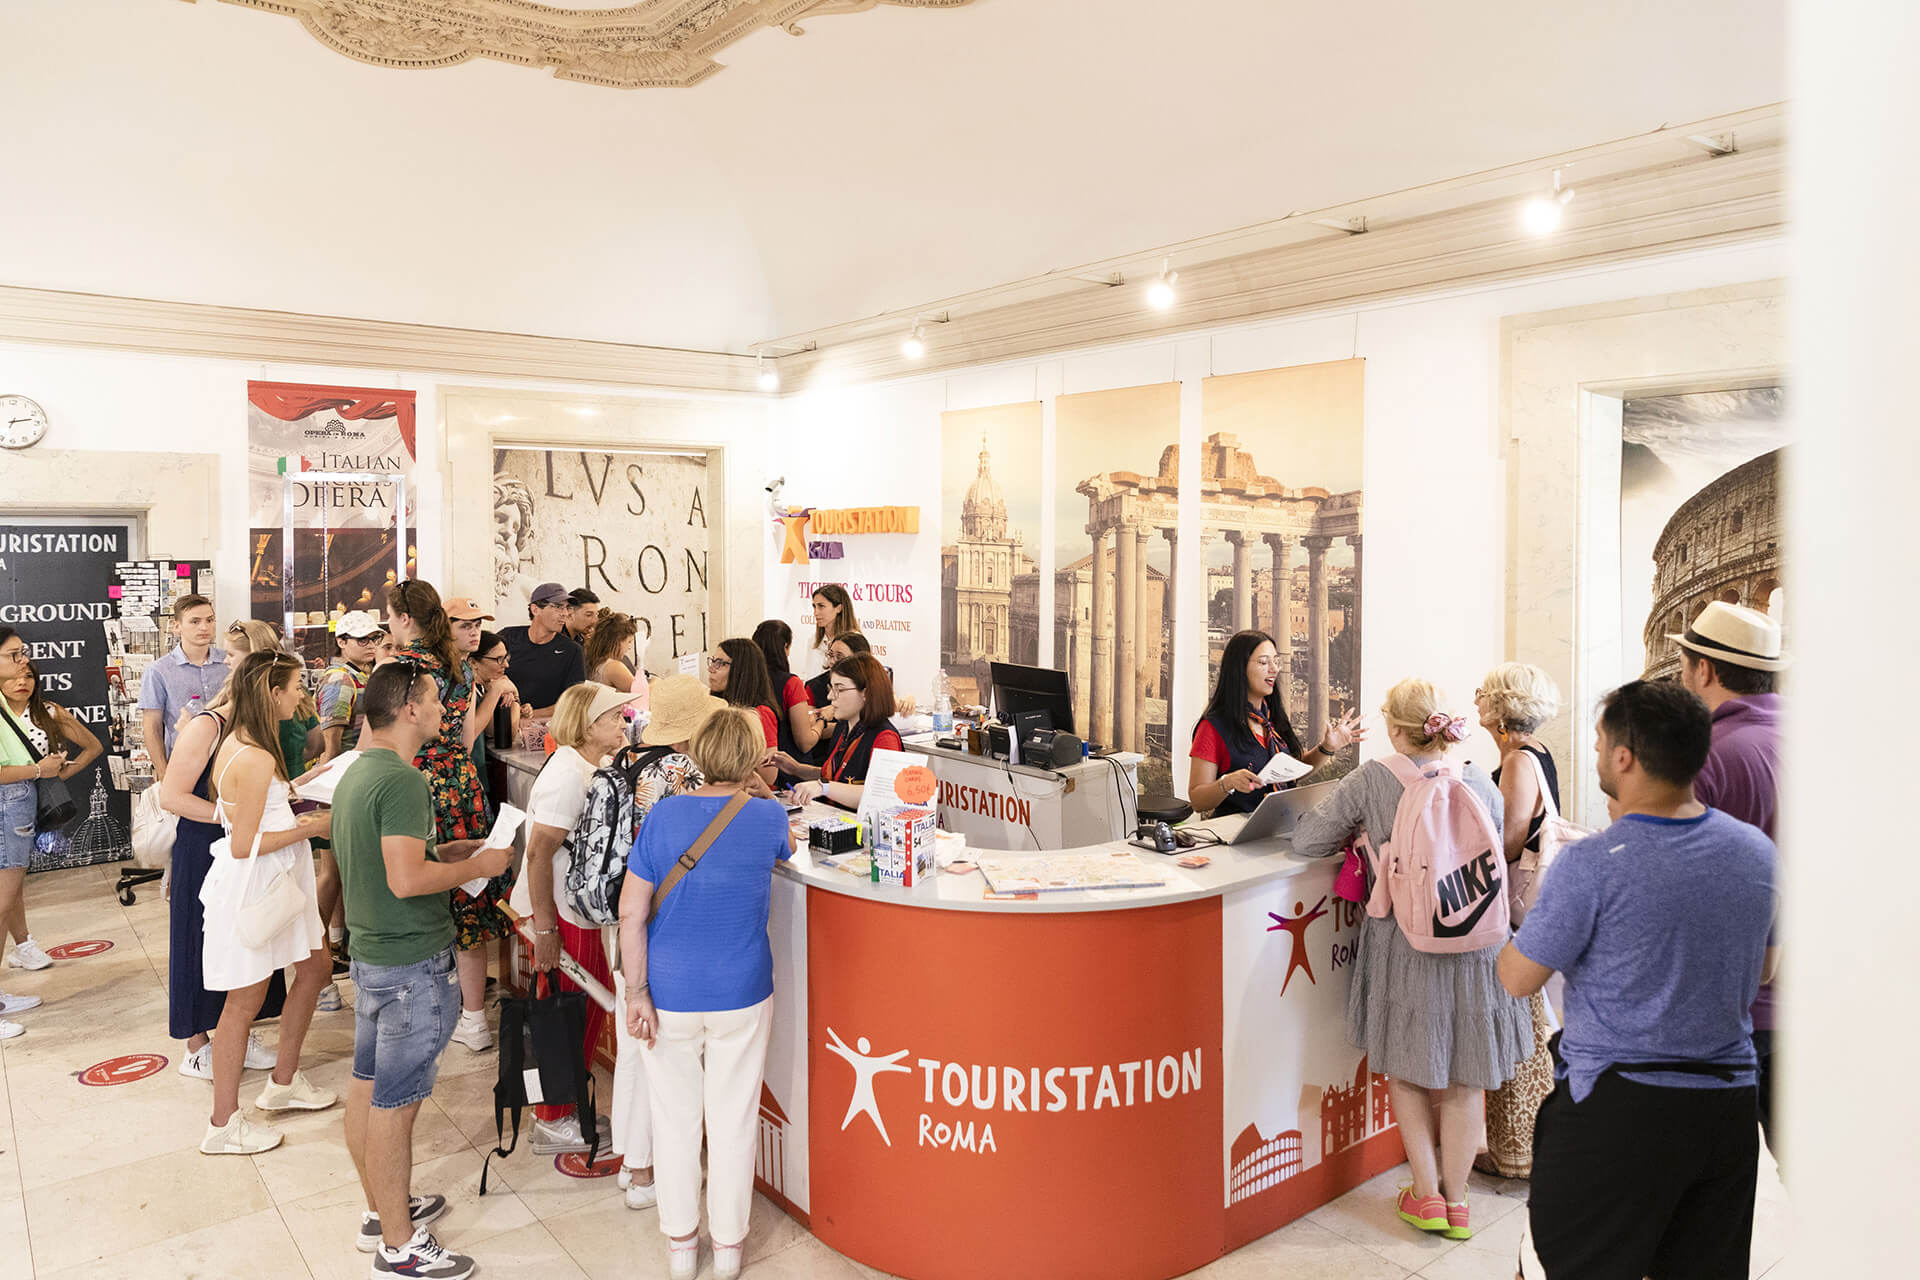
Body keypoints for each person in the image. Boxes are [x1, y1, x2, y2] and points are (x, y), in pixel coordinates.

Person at [1501, 680, 1776, 1280]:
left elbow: (1518, 978)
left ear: (1624, 757)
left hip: (1619, 1110)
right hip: (1726, 1107)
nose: (1597, 753)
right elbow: (1765, 969)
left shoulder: (1593, 863)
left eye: (1601, 742)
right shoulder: (1756, 852)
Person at [1293, 678, 1531, 1243]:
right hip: (1477, 942)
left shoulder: (1373, 778)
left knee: (1408, 1069)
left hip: (1405, 942)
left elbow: (1308, 841)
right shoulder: (1477, 778)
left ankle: (1425, 1195)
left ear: (1396, 728)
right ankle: (1458, 1203)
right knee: (1467, 1075)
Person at [333, 661, 513, 1278]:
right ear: (409, 708)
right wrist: (477, 866)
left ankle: (381, 1211)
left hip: (373, 955)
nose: (444, 708)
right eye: (436, 699)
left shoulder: (361, 771)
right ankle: (400, 1246)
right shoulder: (406, 782)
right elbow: (407, 881)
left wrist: (446, 852)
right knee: (396, 1105)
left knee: (367, 1087)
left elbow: (390, 857)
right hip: (410, 960)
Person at [621, 708, 798, 1280]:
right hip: (742, 989)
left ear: (697, 754)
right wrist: (758, 786)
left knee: (674, 1121)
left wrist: (636, 992)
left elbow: (631, 912)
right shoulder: (768, 817)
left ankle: (681, 1246)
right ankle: (728, 1248)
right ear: (754, 757)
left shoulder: (664, 814)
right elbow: (789, 847)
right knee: (734, 1120)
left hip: (668, 991)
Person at [196, 649, 337, 1154]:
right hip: (259, 887)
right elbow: (243, 843)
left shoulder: (249, 743)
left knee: (317, 967)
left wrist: (301, 792)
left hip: (281, 881)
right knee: (243, 1003)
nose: (302, 696)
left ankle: (284, 1080)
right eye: (297, 687)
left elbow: (258, 812)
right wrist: (315, 827)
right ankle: (222, 1124)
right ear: (272, 693)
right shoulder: (253, 755)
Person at [601, 673, 725, 1202]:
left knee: (635, 1045)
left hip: (626, 910)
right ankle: (646, 1173)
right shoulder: (683, 771)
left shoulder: (626, 759)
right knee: (660, 1049)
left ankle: (633, 1161)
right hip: (664, 918)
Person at [511, 681, 643, 1157]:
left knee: (578, 1010)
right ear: (587, 727)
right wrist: (546, 930)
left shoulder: (585, 766)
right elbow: (538, 853)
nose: (623, 724)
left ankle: (560, 1110)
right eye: (613, 718)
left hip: (573, 909)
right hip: (562, 913)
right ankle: (553, 1118)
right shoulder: (568, 774)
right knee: (567, 1013)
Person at [1674, 600, 1786, 1158]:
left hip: (1734, 1007)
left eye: (1684, 664)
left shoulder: (1711, 757)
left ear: (1706, 670)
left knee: (1714, 1178)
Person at [388, 580, 513, 1053]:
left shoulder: (402, 667)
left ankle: (419, 1012)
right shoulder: (459, 665)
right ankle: (474, 1018)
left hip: (416, 780)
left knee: (413, 887)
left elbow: (390, 735)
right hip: (461, 783)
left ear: (403, 618)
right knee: (468, 893)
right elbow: (464, 739)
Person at [1471, 661, 1563, 1179]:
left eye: (1484, 691)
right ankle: (1526, 1147)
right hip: (1532, 908)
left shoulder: (1517, 762)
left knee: (1518, 1032)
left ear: (1503, 706)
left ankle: (1517, 1151)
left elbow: (1507, 843)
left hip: (1515, 910)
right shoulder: (1536, 753)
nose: (1476, 697)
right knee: (1526, 1028)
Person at [1188, 630, 1365, 816]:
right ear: (1239, 669)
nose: (1274, 669)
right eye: (1264, 662)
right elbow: (1197, 801)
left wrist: (1327, 747)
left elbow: (1291, 771)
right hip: (1236, 830)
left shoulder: (1272, 718)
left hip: (1281, 825)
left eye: (1276, 661)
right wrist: (1226, 783)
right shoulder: (1213, 727)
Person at [1, 660, 103, 985]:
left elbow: (93, 746)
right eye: (14, 676)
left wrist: (56, 778)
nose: (22, 682)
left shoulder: (48, 711)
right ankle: (23, 945)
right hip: (9, 798)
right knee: (9, 882)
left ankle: (23, 945)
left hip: (25, 803)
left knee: (11, 880)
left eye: (28, 676)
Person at [314, 610, 384, 990]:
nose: (370, 644)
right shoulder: (341, 679)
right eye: (362, 639)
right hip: (340, 782)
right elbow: (331, 741)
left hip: (355, 777)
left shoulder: (364, 676)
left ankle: (334, 943)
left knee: (340, 871)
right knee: (332, 872)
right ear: (342, 642)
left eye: (374, 637)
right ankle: (317, 949)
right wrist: (333, 791)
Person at [777, 654, 901, 810]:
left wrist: (823, 787)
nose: (830, 697)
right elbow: (836, 776)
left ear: (866, 693)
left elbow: (880, 796)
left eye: (839, 689)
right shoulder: (843, 727)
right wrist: (796, 769)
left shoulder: (885, 738)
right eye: (831, 688)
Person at [139, 594, 228, 781]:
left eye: (209, 620)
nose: (204, 627)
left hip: (227, 761)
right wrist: (163, 773)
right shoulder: (158, 671)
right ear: (176, 626)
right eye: (195, 621)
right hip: (183, 765)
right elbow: (152, 727)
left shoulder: (229, 662)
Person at [501, 582, 588, 720]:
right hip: (501, 724)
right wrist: (502, 684)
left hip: (546, 726)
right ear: (535, 609)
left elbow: (573, 701)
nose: (565, 614)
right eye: (558, 607)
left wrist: (529, 714)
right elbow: (483, 672)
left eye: (567, 608)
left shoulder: (572, 650)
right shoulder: (507, 637)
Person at [754, 620, 825, 782]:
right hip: (788, 773)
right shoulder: (791, 683)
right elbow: (805, 742)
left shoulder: (746, 681)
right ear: (786, 647)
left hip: (756, 770)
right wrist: (822, 722)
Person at [706, 638, 780, 788]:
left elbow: (768, 776)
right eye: (712, 661)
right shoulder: (713, 705)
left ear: (741, 670)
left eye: (721, 663)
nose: (711, 669)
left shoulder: (760, 714)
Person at [585, 611, 648, 704]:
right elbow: (642, 694)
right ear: (618, 641)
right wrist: (655, 682)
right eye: (629, 642)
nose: (629, 647)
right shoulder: (613, 667)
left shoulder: (594, 660)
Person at [801, 584, 861, 679]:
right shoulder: (813, 640)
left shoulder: (856, 641)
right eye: (814, 606)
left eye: (821, 606)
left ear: (839, 608)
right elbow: (808, 675)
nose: (815, 613)